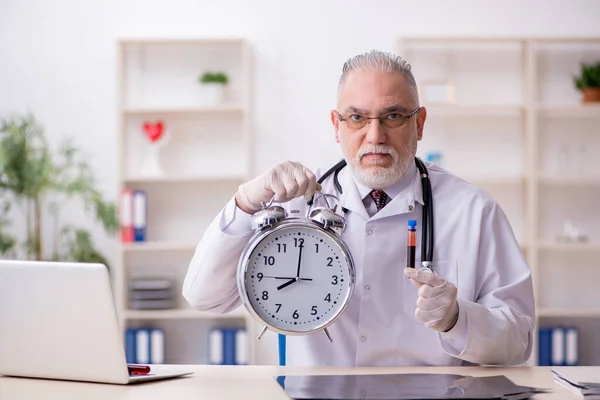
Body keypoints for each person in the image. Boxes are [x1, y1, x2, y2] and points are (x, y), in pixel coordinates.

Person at [182, 49, 535, 367]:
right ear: (337, 126)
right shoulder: (293, 201)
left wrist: (457, 319)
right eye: (357, 118)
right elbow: (205, 299)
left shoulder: (474, 211)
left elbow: (519, 342)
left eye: (393, 115)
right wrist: (244, 201)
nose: (375, 135)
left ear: (420, 123)